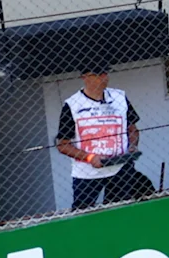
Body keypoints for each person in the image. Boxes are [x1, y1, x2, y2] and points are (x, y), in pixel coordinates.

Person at [53, 63, 138, 209]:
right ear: (85, 77)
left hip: (120, 168)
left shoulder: (119, 97)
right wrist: (90, 157)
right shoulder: (73, 105)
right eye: (98, 74)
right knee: (83, 215)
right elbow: (62, 144)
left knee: (121, 212)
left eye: (105, 73)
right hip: (87, 174)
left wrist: (132, 146)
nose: (104, 77)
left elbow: (133, 129)